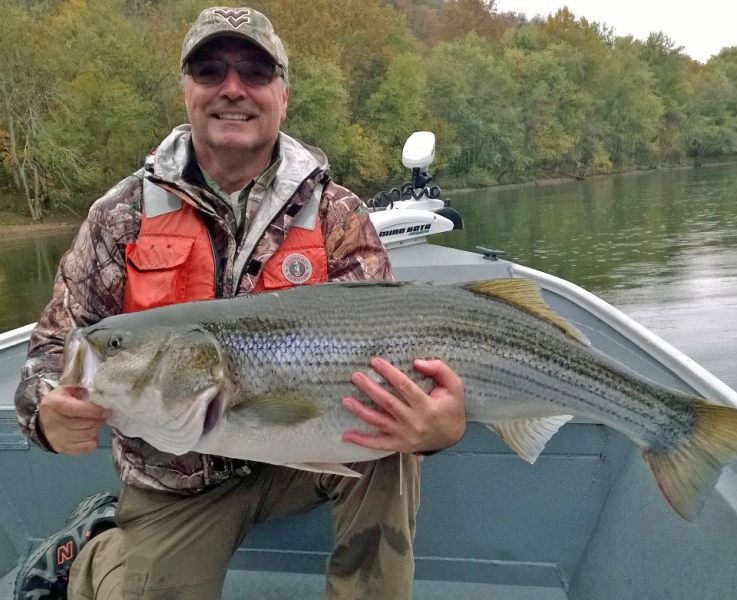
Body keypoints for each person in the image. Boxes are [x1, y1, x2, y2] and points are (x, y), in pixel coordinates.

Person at [13, 7, 466, 600]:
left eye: (254, 72)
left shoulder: (337, 216)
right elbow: (52, 348)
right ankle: (99, 553)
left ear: (282, 94)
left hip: (301, 456)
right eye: (210, 71)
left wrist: (438, 428)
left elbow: (393, 339)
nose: (232, 88)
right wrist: (47, 410)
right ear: (187, 91)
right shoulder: (119, 216)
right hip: (175, 479)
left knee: (394, 438)